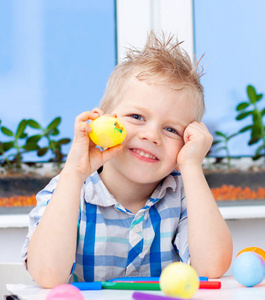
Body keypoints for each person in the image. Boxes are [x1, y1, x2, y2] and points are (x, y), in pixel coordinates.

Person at [21, 31, 233, 288]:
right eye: (137, 117)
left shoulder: (183, 194)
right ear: (102, 122)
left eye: (171, 130)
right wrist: (74, 173)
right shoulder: (66, 190)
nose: (152, 135)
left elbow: (212, 267)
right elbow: (47, 275)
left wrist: (191, 166)